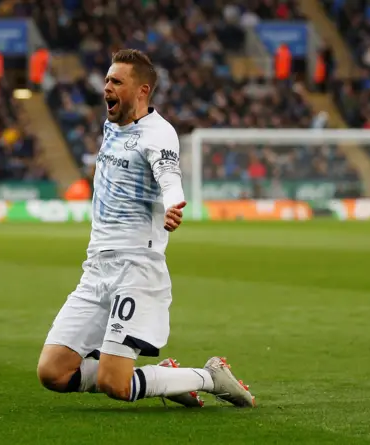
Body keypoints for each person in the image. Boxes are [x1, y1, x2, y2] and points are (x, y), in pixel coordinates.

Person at [37, 49, 255, 408]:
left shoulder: (159, 133)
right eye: (107, 80)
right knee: (53, 373)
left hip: (135, 268)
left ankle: (209, 376)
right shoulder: (112, 125)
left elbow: (168, 175)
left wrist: (174, 204)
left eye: (116, 81)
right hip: (96, 270)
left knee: (114, 384)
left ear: (142, 91)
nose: (106, 86)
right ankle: (164, 379)